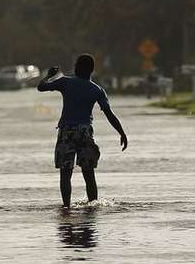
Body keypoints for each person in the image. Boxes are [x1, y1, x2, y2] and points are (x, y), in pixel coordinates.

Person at [38, 54, 128, 208]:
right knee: (89, 173)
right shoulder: (97, 90)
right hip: (85, 132)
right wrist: (122, 133)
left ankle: (66, 208)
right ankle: (92, 207)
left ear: (76, 67)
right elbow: (109, 114)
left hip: (67, 131)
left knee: (65, 173)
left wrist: (49, 76)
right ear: (92, 70)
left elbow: (41, 87)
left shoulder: (65, 82)